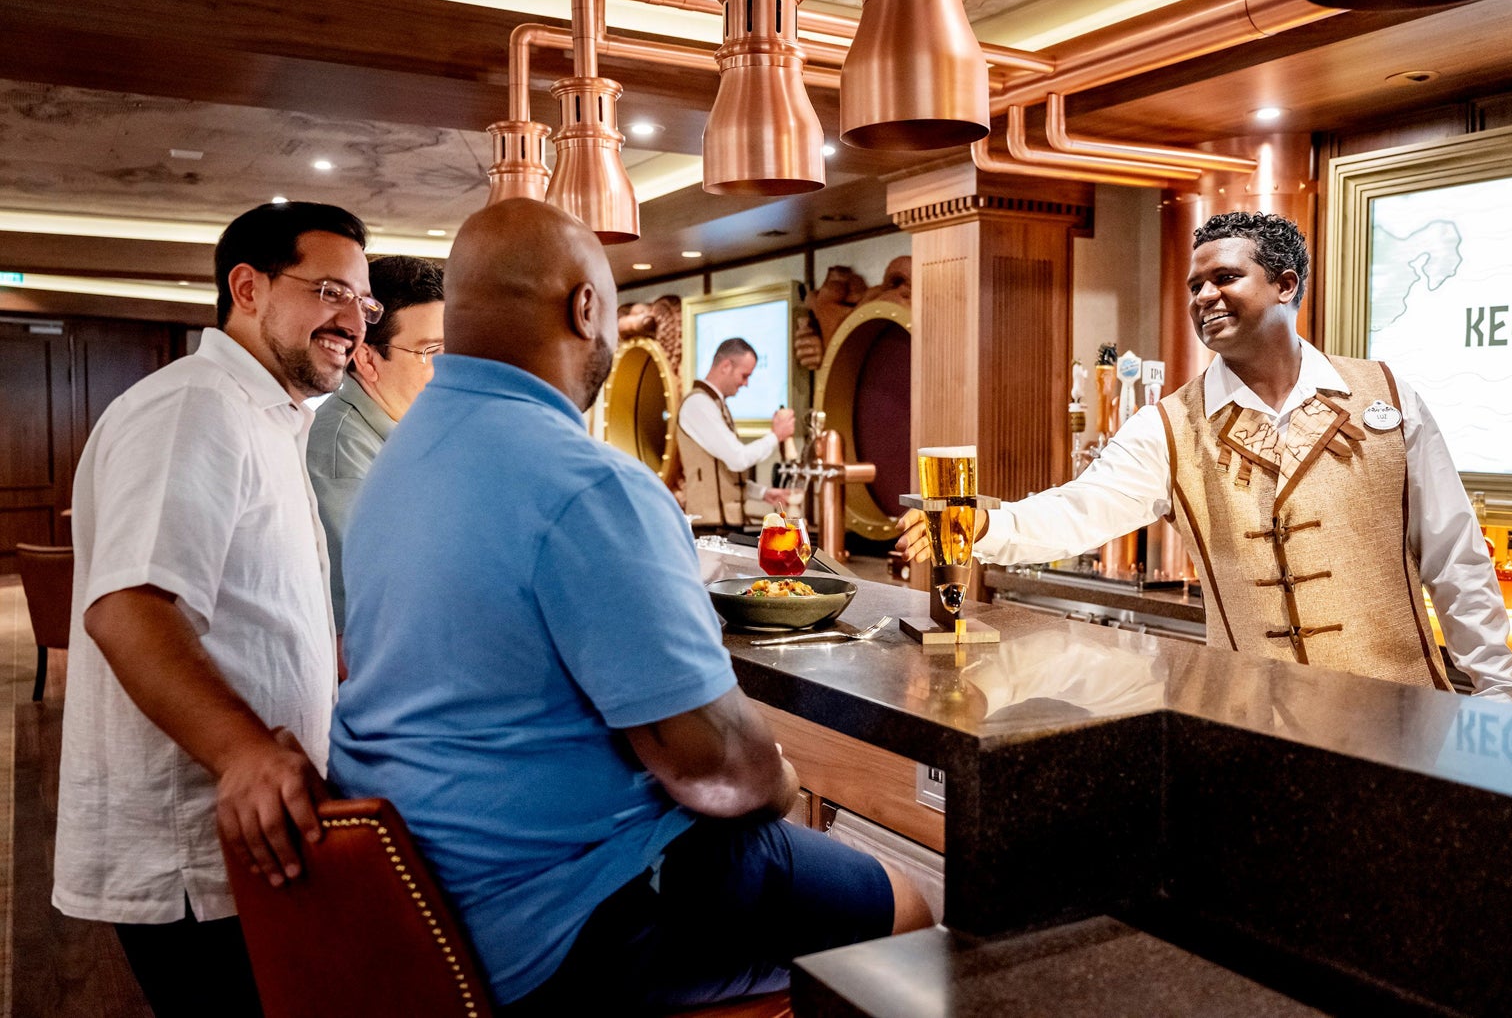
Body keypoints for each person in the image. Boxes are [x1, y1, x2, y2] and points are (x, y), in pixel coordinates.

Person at [329, 198, 930, 1013]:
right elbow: (709, 763)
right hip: (566, 915)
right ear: (585, 307)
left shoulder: (394, 464)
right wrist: (782, 780)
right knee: (907, 910)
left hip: (420, 895)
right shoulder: (588, 482)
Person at [899, 211, 1512, 704]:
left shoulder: (1387, 395)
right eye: (1196, 284)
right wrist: (985, 526)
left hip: (1403, 711)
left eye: (1225, 278)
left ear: (1286, 286)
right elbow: (1081, 508)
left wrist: (1497, 694)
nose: (1204, 295)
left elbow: (1456, 556)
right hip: (1254, 721)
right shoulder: (1170, 425)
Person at [53, 201, 377, 1016]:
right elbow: (129, 606)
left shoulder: (267, 416)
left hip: (252, 836)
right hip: (198, 844)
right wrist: (242, 752)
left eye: (364, 305)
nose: (352, 321)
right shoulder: (194, 406)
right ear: (248, 286)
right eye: (331, 290)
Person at [307, 254, 445, 635]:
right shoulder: (340, 454)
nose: (452, 369)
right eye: (432, 352)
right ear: (367, 359)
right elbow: (369, 604)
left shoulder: (415, 435)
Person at [677, 336, 794, 529]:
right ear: (726, 366)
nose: (746, 383)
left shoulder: (714, 404)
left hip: (724, 524)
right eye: (744, 375)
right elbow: (737, 459)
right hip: (709, 527)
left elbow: (722, 475)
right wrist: (776, 435)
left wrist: (763, 493)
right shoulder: (698, 404)